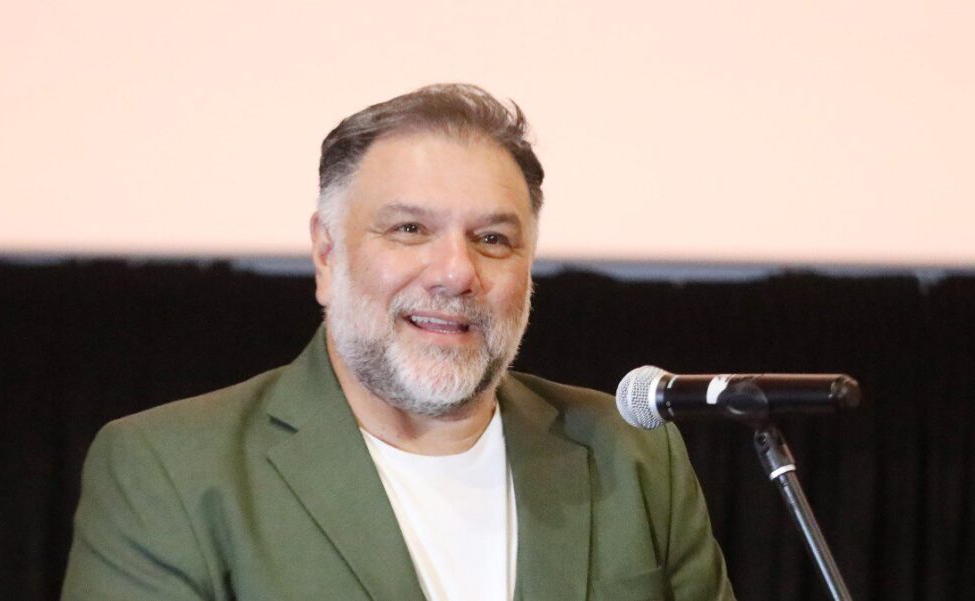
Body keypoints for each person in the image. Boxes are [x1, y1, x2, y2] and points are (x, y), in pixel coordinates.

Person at [61, 84, 735, 601]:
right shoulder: (170, 468)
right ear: (327, 255)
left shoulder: (631, 454)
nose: (456, 273)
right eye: (410, 230)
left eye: (492, 238)